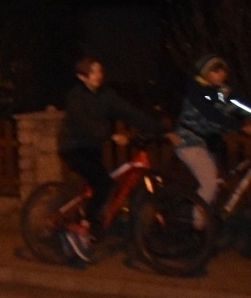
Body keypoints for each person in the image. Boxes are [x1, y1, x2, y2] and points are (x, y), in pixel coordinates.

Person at [58, 58, 164, 243]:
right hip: (74, 147)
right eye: (93, 72)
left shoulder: (106, 95)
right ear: (82, 77)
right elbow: (85, 124)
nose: (99, 75)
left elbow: (129, 112)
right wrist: (112, 135)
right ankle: (87, 225)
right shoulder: (75, 97)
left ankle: (90, 216)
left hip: (92, 147)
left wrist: (158, 128)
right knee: (103, 184)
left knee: (103, 184)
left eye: (100, 71)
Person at [174, 54, 251, 210]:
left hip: (209, 144)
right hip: (189, 141)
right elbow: (211, 114)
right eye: (216, 71)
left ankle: (202, 216)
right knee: (209, 184)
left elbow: (243, 107)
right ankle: (198, 228)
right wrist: (240, 127)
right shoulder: (196, 90)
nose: (221, 75)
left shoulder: (222, 92)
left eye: (223, 71)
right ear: (206, 72)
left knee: (215, 184)